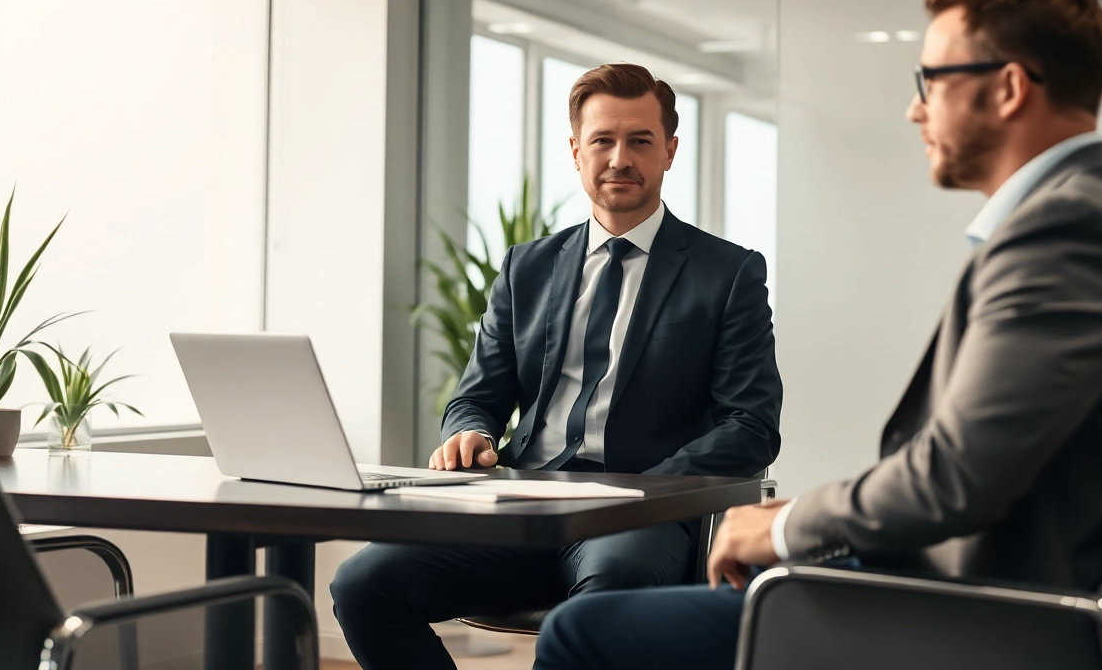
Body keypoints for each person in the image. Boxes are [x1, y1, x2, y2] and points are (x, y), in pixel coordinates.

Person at [533, 0, 1102, 670]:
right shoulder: (1086, 214)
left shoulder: (1067, 233)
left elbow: (952, 478)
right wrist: (809, 524)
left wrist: (791, 526)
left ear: (1008, 88)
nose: (916, 109)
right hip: (969, 589)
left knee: (581, 634)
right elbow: (971, 464)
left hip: (981, 618)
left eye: (931, 81)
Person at [330, 62, 783, 670]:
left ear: (670, 151)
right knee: (363, 582)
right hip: (526, 504)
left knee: (591, 617)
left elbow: (751, 425)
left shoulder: (727, 273)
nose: (620, 157)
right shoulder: (526, 267)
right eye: (602, 140)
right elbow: (476, 397)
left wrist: (639, 489)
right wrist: (470, 432)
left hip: (637, 519)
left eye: (640, 141)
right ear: (576, 150)